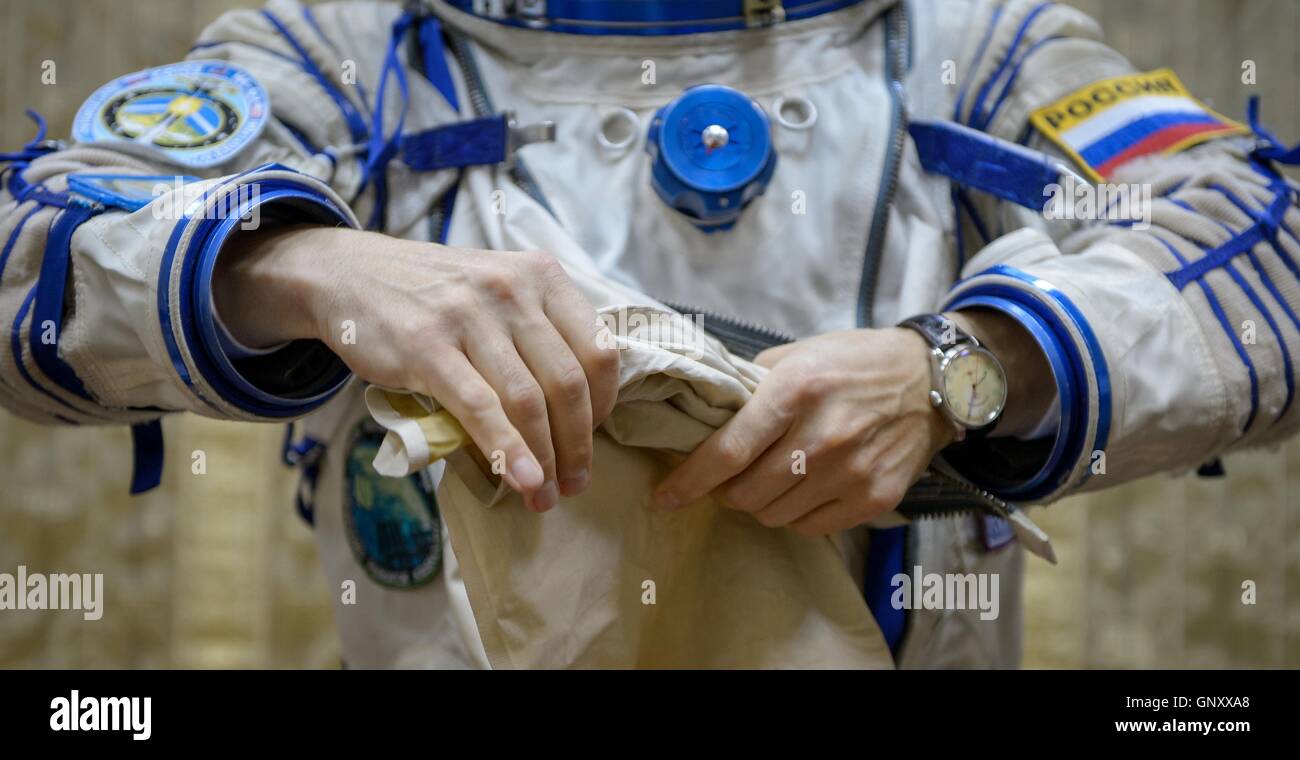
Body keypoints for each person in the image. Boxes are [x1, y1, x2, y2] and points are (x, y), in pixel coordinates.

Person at [2, 0, 1297, 668]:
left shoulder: (965, 44)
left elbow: (1268, 239)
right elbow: (30, 251)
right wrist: (299, 262)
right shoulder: (357, 48)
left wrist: (963, 368)